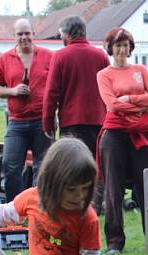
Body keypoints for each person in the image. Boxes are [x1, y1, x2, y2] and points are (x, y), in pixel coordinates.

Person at [96, 27, 148, 255]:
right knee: (114, 188)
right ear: (111, 48)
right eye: (118, 45)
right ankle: (114, 242)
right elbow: (112, 105)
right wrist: (140, 105)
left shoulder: (140, 70)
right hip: (114, 135)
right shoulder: (104, 75)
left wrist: (130, 98)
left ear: (130, 48)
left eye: (125, 45)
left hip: (142, 133)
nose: (122, 49)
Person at [0, 18, 54, 203]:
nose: (24, 37)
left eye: (27, 33)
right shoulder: (4, 60)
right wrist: (13, 91)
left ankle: (38, 208)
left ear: (34, 34)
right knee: (11, 166)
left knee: (43, 168)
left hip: (43, 121)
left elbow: (60, 83)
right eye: (20, 34)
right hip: (16, 122)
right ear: (14, 36)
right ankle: (15, 209)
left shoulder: (49, 57)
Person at [43, 16, 109, 157]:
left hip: (71, 122)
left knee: (72, 167)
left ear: (66, 34)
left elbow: (51, 93)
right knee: (95, 165)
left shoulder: (60, 57)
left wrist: (48, 124)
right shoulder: (101, 56)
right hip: (98, 121)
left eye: (61, 35)